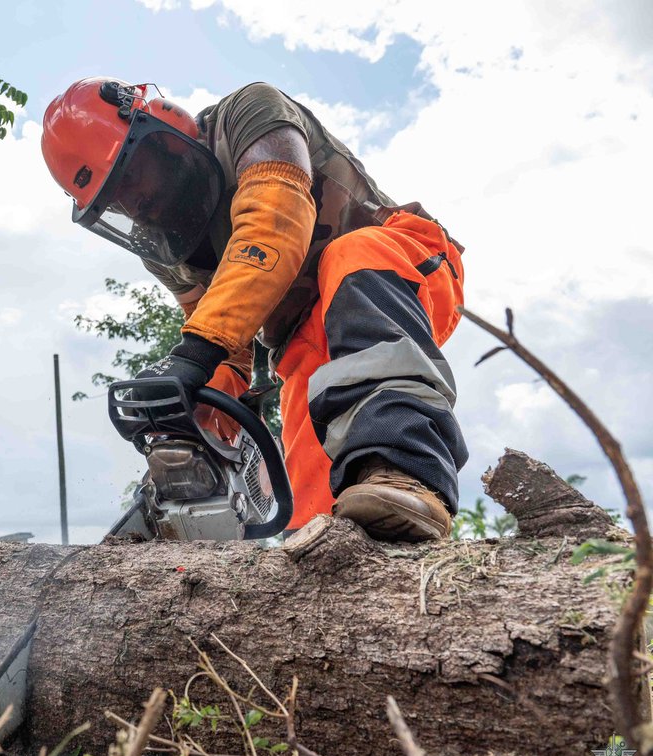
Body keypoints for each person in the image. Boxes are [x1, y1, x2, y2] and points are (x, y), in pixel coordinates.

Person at [41, 78, 468, 541]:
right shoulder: (167, 246)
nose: (133, 201)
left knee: (351, 253)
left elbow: (276, 215)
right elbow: (225, 347)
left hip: (396, 268)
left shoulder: (248, 115)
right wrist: (190, 419)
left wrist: (193, 355)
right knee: (317, 524)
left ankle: (405, 475)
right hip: (306, 334)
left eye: (130, 176)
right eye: (116, 199)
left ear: (160, 133)